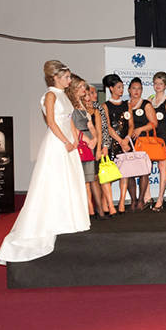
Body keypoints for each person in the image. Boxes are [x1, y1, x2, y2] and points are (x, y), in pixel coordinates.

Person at [0, 61, 90, 264]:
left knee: (70, 180)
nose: (69, 80)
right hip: (56, 143)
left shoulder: (65, 95)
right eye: (66, 77)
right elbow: (51, 122)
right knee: (54, 181)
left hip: (68, 142)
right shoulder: (50, 95)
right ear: (55, 77)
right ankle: (49, 220)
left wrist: (75, 139)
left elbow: (70, 119)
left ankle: (69, 217)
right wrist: (65, 141)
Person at [67, 74, 105, 220]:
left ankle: (97, 211)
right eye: (82, 86)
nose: (84, 89)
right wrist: (88, 139)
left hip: (89, 143)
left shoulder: (83, 105)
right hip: (78, 142)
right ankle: (85, 212)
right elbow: (71, 127)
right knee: (79, 179)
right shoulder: (69, 105)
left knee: (90, 178)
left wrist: (94, 138)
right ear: (74, 88)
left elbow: (91, 125)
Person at [103, 73, 134, 213]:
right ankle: (108, 204)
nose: (121, 90)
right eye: (118, 87)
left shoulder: (127, 104)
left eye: (122, 87)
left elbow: (131, 124)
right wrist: (120, 141)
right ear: (111, 88)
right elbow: (108, 127)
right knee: (110, 174)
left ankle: (122, 202)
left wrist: (126, 139)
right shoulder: (105, 106)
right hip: (112, 143)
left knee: (125, 173)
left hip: (126, 142)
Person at [127, 77, 157, 211]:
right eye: (134, 88)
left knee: (143, 171)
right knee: (129, 171)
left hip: (143, 142)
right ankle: (133, 200)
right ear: (129, 90)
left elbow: (154, 123)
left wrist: (140, 129)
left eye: (139, 88)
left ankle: (141, 200)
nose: (136, 91)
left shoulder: (146, 104)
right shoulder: (125, 105)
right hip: (129, 142)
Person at [90, 84, 116, 216]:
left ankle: (110, 206)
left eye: (95, 92)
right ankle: (95, 207)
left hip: (99, 146)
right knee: (91, 178)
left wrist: (105, 145)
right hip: (86, 146)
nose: (95, 95)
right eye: (92, 93)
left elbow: (104, 128)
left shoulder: (99, 108)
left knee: (105, 176)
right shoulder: (79, 108)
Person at [150, 72, 166, 212]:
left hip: (163, 138)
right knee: (146, 167)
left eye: (161, 84)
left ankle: (160, 198)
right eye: (155, 83)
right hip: (150, 138)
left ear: (165, 86)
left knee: (162, 167)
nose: (158, 86)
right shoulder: (149, 100)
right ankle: (147, 197)